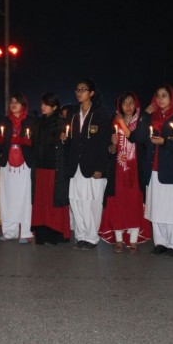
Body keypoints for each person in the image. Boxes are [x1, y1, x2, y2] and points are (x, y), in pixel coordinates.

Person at [137, 84, 173, 257]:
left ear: (172, 98)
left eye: (164, 96)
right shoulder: (151, 117)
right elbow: (138, 136)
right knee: (157, 208)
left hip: (172, 170)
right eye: (158, 96)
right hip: (153, 169)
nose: (160, 99)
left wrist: (165, 143)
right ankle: (160, 242)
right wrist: (145, 113)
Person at [99, 91, 151, 253]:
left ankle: (133, 240)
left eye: (131, 102)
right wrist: (113, 145)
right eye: (124, 103)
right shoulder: (113, 122)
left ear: (136, 105)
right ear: (119, 106)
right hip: (118, 171)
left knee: (134, 202)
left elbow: (142, 142)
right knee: (118, 203)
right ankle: (119, 239)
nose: (128, 106)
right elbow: (109, 150)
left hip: (135, 171)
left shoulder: (141, 122)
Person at [65, 78, 110, 250]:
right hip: (75, 165)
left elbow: (104, 143)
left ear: (91, 93)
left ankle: (92, 238)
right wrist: (65, 140)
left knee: (92, 202)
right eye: (77, 90)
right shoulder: (74, 114)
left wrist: (100, 167)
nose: (79, 93)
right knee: (76, 200)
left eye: (83, 90)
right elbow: (72, 140)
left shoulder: (100, 114)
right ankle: (81, 235)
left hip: (92, 166)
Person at [0, 93, 36, 243]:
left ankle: (25, 232)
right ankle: (10, 231)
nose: (13, 104)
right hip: (8, 165)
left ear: (23, 105)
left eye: (16, 102)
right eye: (11, 102)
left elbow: (35, 142)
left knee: (24, 198)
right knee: (7, 197)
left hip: (24, 165)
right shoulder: (4, 121)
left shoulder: (31, 121)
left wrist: (26, 142)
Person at [31, 92, 70, 245]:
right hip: (40, 168)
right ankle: (41, 233)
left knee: (54, 201)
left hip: (55, 169)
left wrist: (66, 141)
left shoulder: (61, 122)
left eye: (46, 104)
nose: (42, 107)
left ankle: (55, 234)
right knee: (41, 202)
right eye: (42, 103)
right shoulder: (38, 123)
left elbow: (68, 147)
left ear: (54, 107)